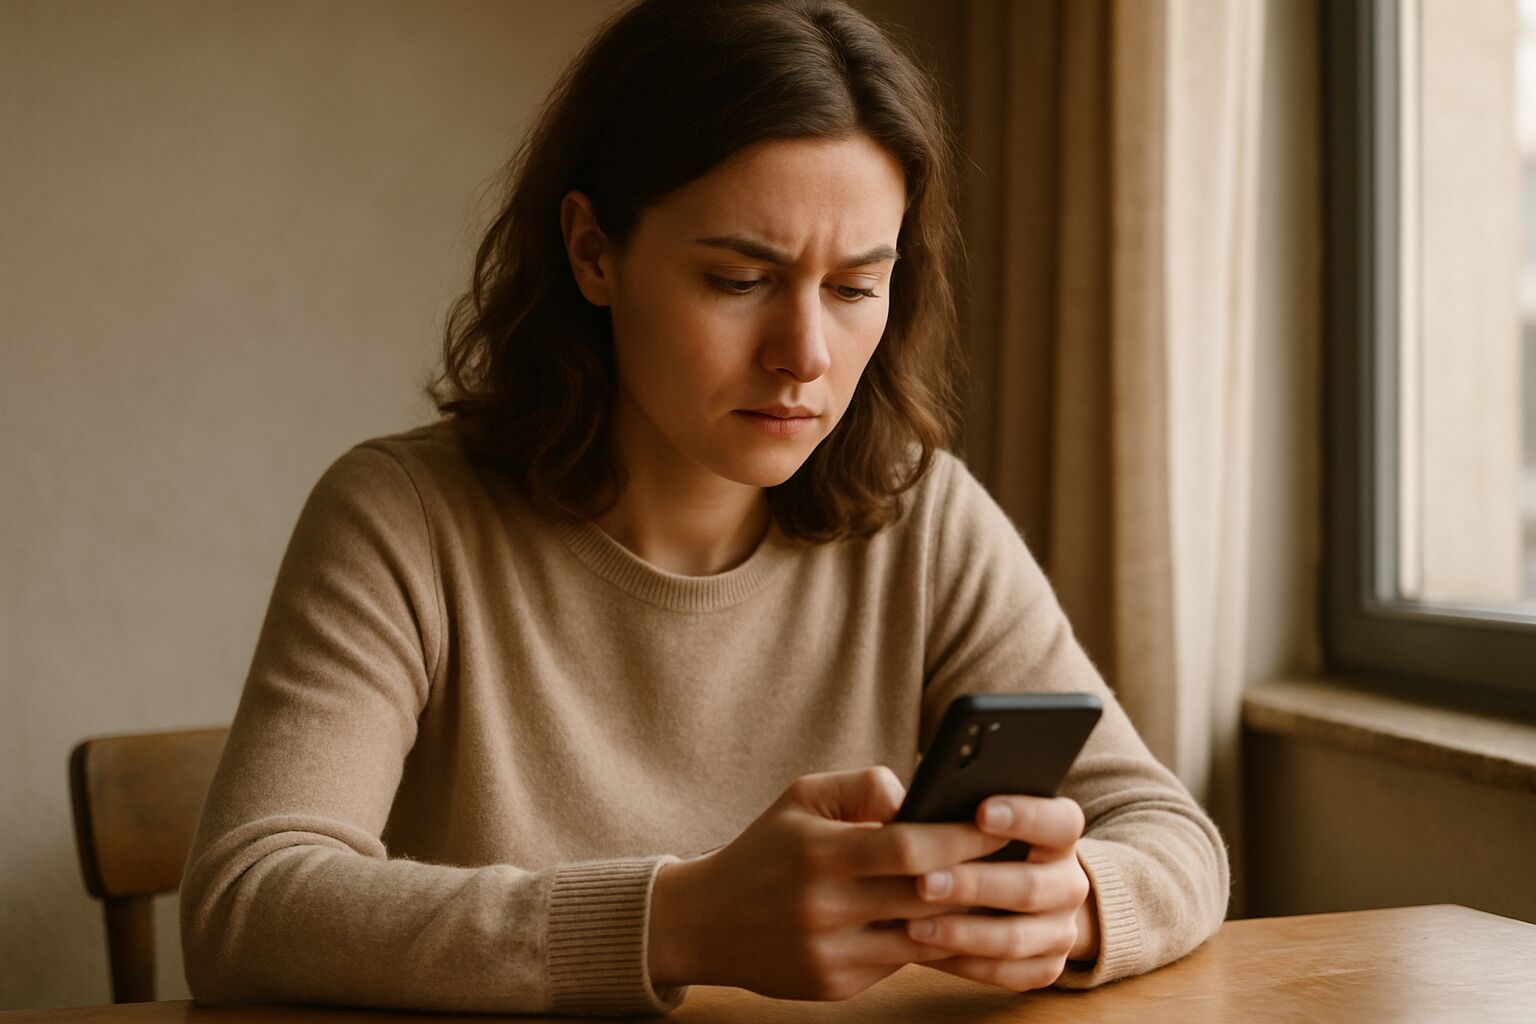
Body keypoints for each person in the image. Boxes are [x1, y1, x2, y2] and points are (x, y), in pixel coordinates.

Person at [179, 0, 1229, 1015]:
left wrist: (1077, 903)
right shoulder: (402, 520)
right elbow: (247, 904)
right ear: (594, 251)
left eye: (857, 287)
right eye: (738, 278)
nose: (805, 355)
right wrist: (676, 922)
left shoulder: (923, 516)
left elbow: (1172, 834)